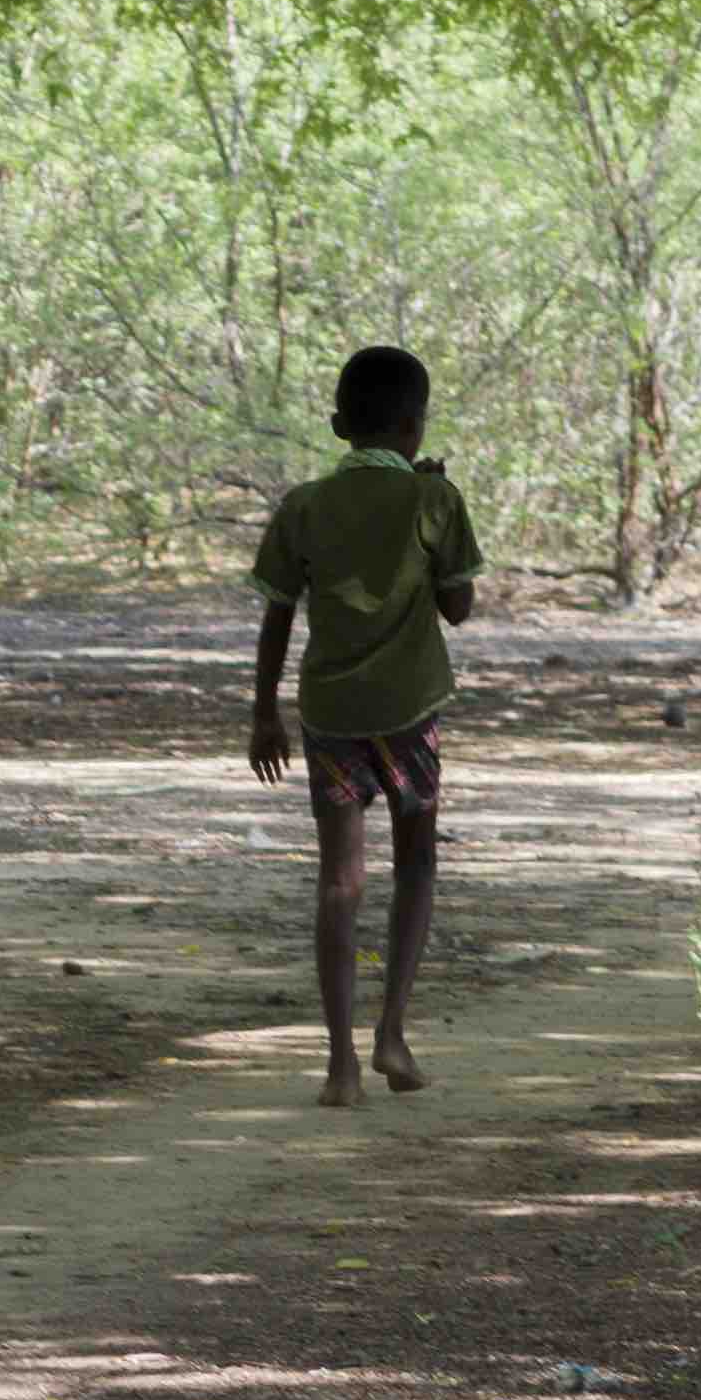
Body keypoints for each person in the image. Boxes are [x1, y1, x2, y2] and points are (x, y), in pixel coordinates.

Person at [248, 345, 482, 1107]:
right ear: (416, 427)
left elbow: (277, 615)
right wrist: (435, 502)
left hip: (330, 717)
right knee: (415, 866)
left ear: (337, 424)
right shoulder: (433, 502)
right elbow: (457, 608)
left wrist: (263, 714)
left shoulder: (302, 506)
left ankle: (339, 1067)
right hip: (410, 715)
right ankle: (393, 1034)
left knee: (338, 883)